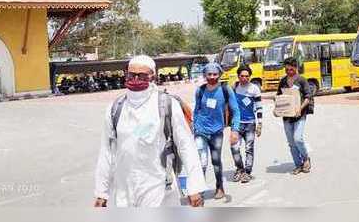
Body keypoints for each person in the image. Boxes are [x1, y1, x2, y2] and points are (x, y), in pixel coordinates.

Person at [93, 55, 206, 207]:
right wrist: (101, 192)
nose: (135, 79)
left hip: (158, 188)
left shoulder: (166, 104)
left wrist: (195, 186)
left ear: (152, 76)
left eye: (142, 75)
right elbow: (107, 151)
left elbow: (186, 145)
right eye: (131, 75)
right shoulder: (116, 108)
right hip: (125, 191)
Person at [193, 63, 241, 200]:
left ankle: (219, 187)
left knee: (216, 161)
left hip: (217, 132)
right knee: (201, 162)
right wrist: (194, 128)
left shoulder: (226, 90)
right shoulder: (200, 91)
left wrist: (235, 130)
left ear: (219, 75)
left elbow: (236, 111)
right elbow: (196, 110)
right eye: (209, 74)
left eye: (215, 74)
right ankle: (199, 189)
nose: (212, 77)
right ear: (205, 75)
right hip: (200, 131)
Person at [276, 57, 313, 175]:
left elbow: (308, 97)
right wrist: (276, 109)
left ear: (296, 68)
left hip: (299, 115)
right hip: (287, 116)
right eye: (286, 70)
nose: (289, 72)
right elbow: (279, 97)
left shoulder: (302, 80)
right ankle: (298, 164)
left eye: (291, 69)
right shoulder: (283, 81)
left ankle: (306, 158)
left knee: (298, 138)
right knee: (291, 142)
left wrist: (300, 108)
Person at [230, 65, 263, 183]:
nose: (244, 78)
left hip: (250, 124)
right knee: (234, 147)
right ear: (238, 76)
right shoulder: (234, 87)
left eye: (247, 76)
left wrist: (260, 124)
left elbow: (259, 107)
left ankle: (247, 173)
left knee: (249, 149)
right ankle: (240, 169)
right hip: (236, 124)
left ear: (250, 77)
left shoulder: (254, 89)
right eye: (242, 76)